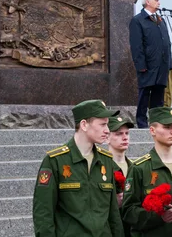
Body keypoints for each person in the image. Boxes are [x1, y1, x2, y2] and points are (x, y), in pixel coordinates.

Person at [32, 99, 124, 237]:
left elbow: (113, 214)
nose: (107, 130)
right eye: (103, 124)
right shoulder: (56, 161)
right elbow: (43, 214)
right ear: (84, 125)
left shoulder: (106, 161)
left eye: (108, 124)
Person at [121, 107, 172, 237]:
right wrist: (158, 216)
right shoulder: (139, 168)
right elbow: (129, 211)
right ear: (152, 130)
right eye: (167, 127)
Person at [129, 0, 172, 128]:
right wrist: (141, 65)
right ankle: (142, 123)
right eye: (156, 0)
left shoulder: (161, 20)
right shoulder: (138, 20)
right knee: (145, 94)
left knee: (159, 95)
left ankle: (156, 122)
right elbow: (136, 45)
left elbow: (167, 43)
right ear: (148, 2)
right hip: (148, 65)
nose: (159, 2)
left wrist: (169, 64)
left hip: (162, 65)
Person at [106, 116, 135, 237]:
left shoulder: (135, 167)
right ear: (107, 137)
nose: (124, 137)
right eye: (118, 134)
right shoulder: (102, 167)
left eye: (127, 133)